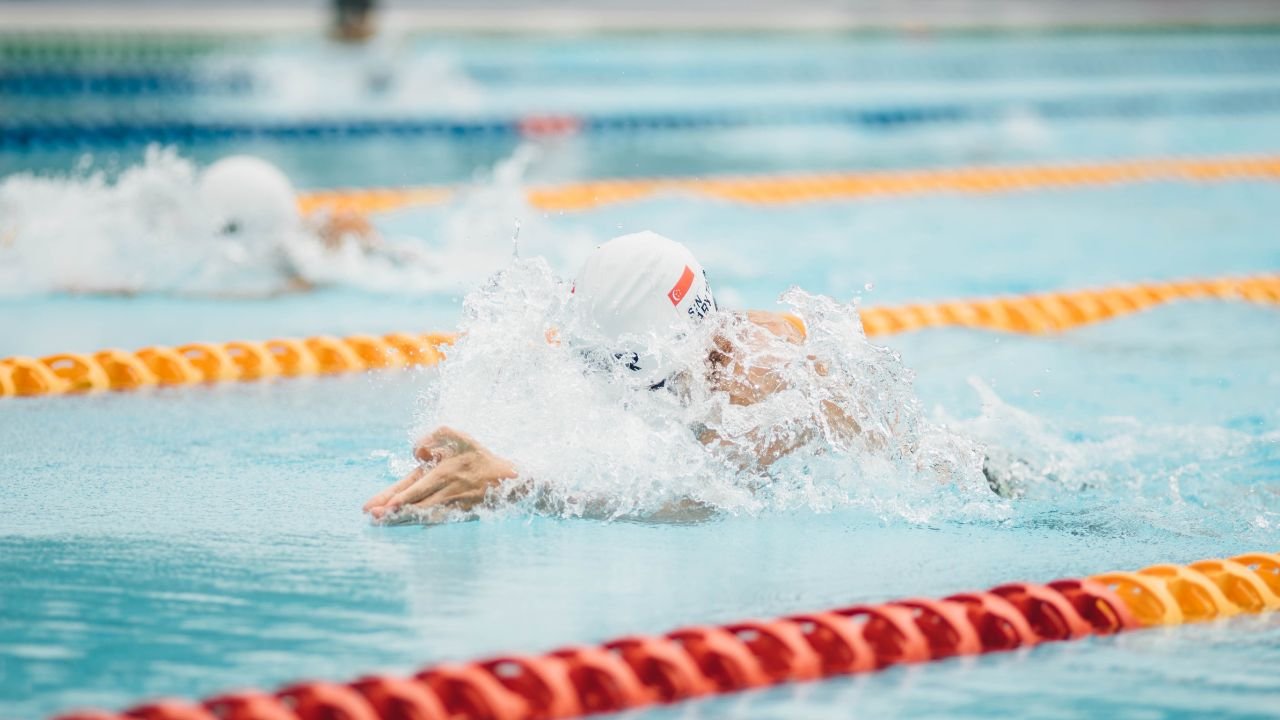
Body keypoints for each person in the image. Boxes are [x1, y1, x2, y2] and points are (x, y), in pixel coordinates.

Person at [365, 231, 1012, 525]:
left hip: (968, 484)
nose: (615, 380)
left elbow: (691, 500)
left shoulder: (763, 376)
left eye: (631, 368)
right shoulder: (643, 339)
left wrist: (517, 484)